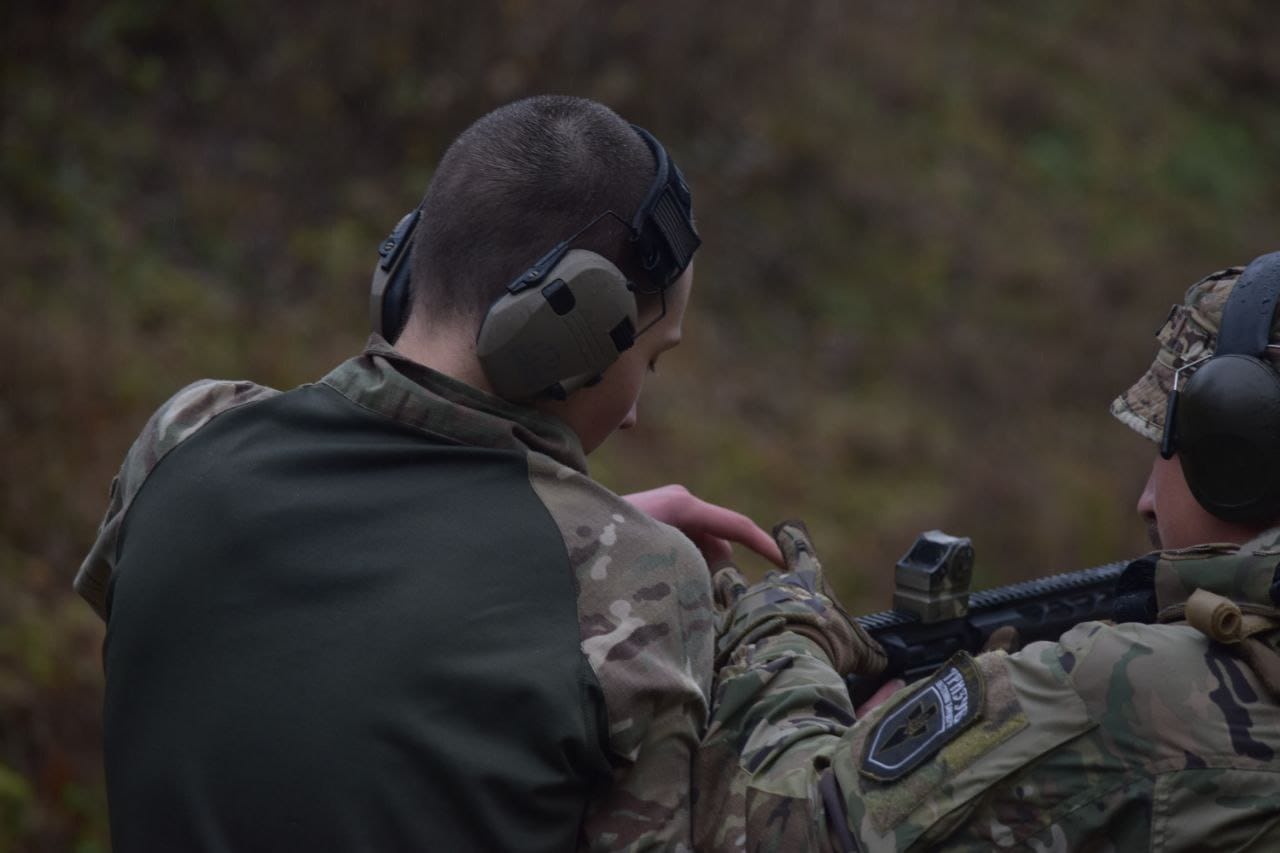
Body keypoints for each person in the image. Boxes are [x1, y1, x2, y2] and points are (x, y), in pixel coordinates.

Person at [75, 95, 784, 851]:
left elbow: (307, 645)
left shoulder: (184, 439)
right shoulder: (640, 592)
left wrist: (587, 547)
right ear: (574, 321)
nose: (637, 410)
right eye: (651, 356)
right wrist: (606, 564)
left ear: (407, 265)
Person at [694, 256, 1280, 850]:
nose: (1146, 500)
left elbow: (782, 828)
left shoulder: (1122, 688)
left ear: (1243, 452)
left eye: (1167, 438)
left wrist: (780, 632)